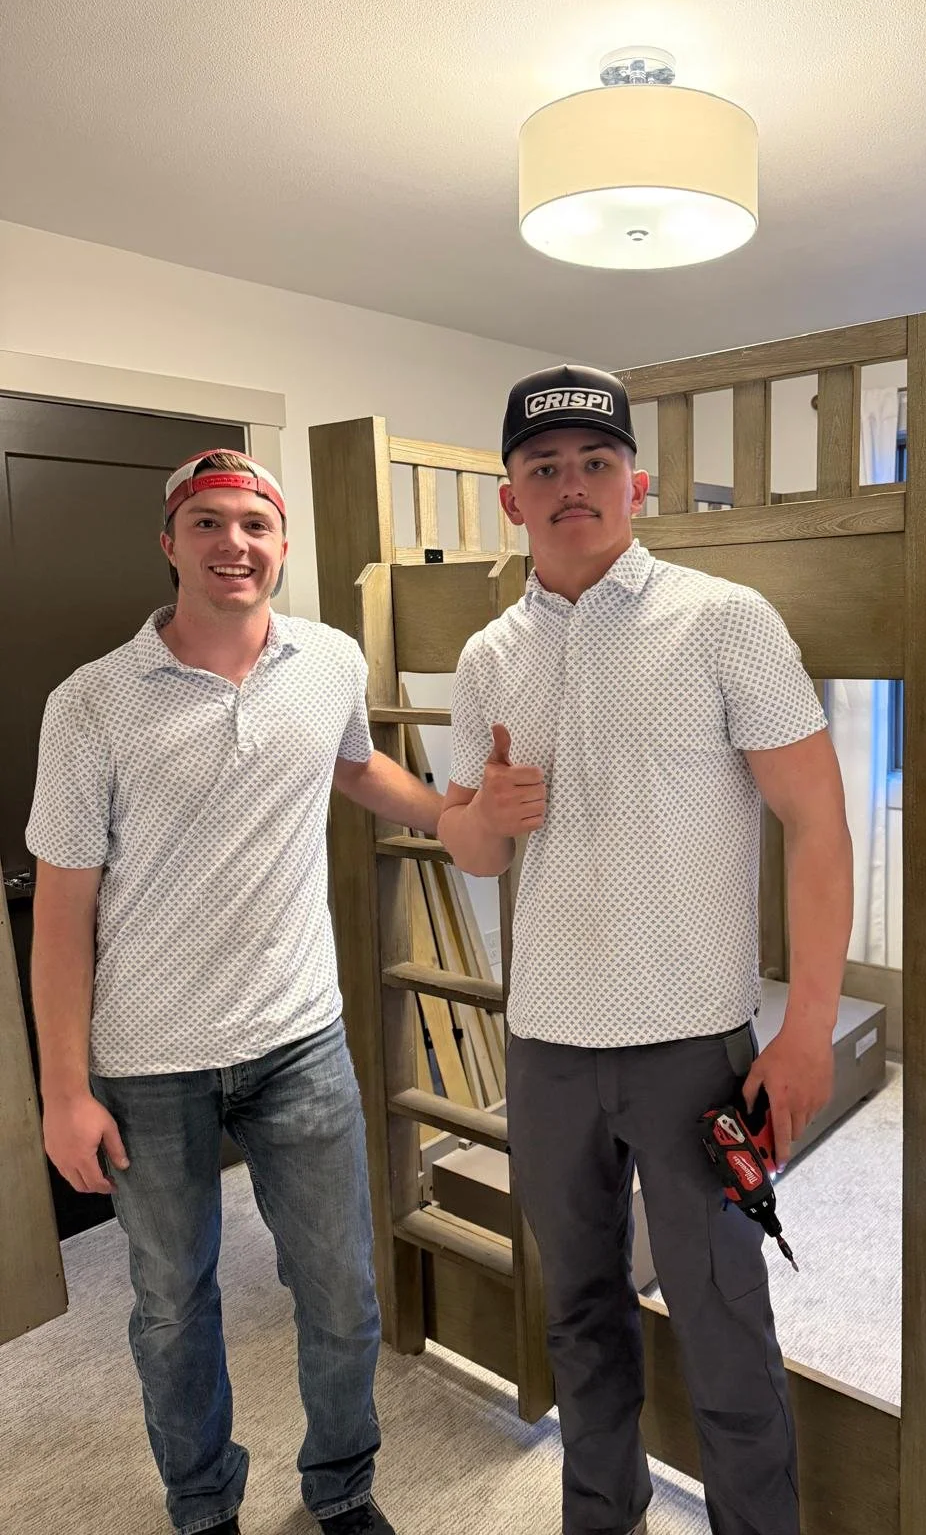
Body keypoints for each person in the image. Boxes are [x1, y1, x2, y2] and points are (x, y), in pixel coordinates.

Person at [438, 366, 855, 1535]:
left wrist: (809, 1025)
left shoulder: (725, 622)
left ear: (639, 483)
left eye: (595, 463)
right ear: (511, 497)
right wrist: (488, 818)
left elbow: (817, 823)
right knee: (579, 1313)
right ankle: (599, 1514)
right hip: (548, 1053)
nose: (572, 485)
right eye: (544, 468)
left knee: (726, 1322)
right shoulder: (487, 657)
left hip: (694, 1053)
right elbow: (467, 844)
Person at [26, 449, 440, 1535]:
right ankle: (203, 1507)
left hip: (299, 1036)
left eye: (253, 523)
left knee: (343, 1296)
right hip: (149, 1058)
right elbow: (62, 910)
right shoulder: (91, 705)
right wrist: (62, 1089)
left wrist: (456, 814)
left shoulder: (330, 661)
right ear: (170, 543)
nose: (233, 545)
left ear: (284, 543)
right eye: (206, 523)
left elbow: (353, 769)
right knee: (172, 1310)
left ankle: (342, 1489)